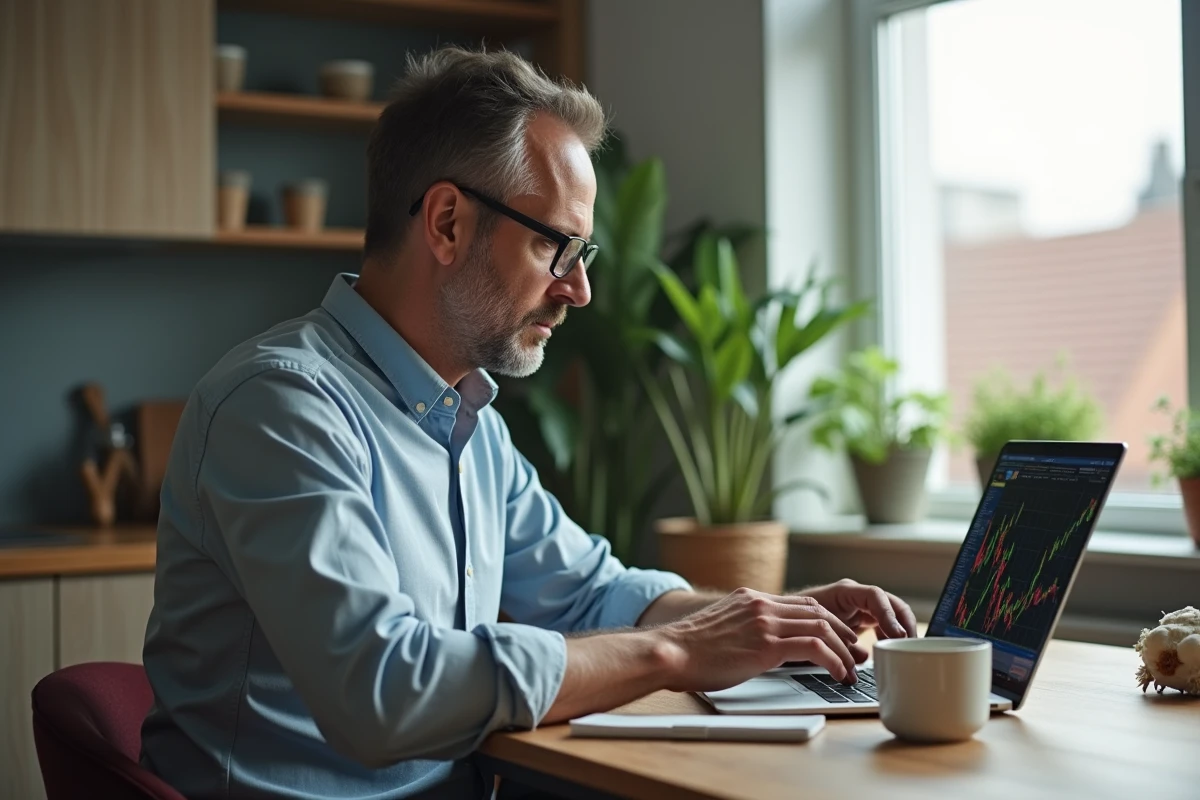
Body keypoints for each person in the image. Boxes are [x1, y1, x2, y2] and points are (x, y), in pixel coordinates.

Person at [140, 46, 918, 800]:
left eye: (583, 251)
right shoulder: (282, 409)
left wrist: (769, 623)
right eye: (555, 244)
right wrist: (676, 650)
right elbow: (383, 694)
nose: (578, 289)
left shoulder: (469, 422)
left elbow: (592, 594)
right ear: (446, 223)